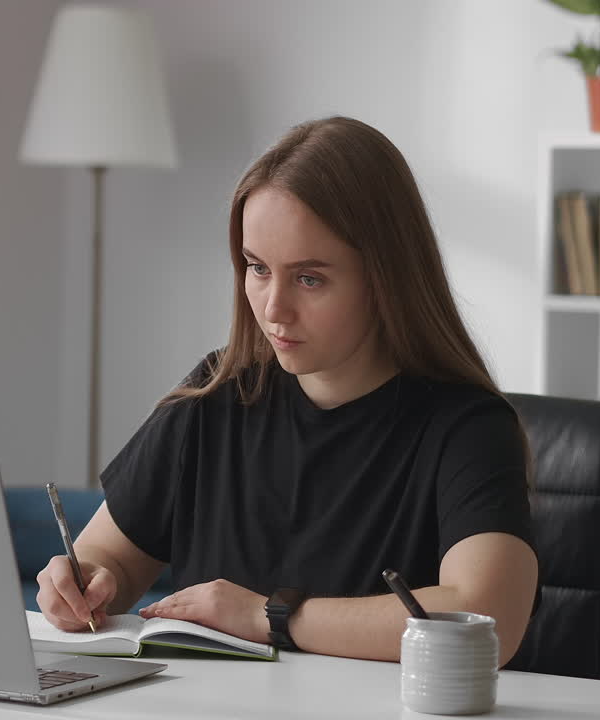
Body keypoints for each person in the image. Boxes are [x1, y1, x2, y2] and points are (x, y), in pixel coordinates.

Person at [35, 116, 539, 666]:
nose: (273, 309)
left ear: (386, 277)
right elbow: (112, 557)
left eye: (309, 278)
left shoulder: (467, 427)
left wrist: (267, 616)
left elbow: (486, 616)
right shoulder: (215, 393)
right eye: (257, 268)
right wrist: (84, 580)